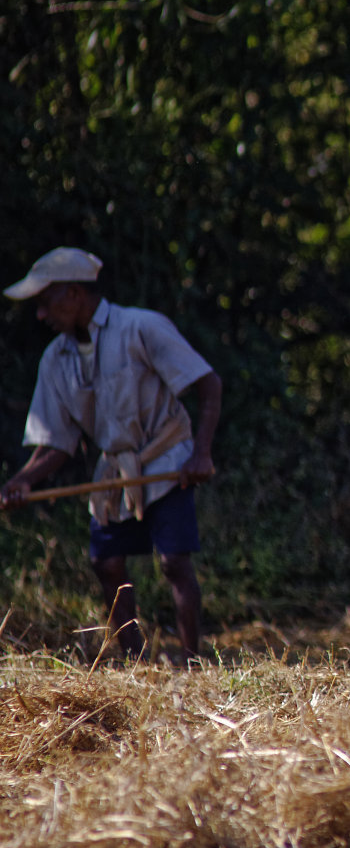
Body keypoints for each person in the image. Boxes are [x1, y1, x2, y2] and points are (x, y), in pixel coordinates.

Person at [0, 247, 222, 663]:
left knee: (174, 562)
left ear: (73, 294)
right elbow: (56, 442)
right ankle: (136, 663)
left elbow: (208, 385)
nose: (41, 314)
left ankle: (192, 661)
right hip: (114, 471)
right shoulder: (56, 359)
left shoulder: (141, 327)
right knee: (106, 563)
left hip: (167, 458)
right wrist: (22, 481)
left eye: (45, 302)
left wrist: (201, 454)